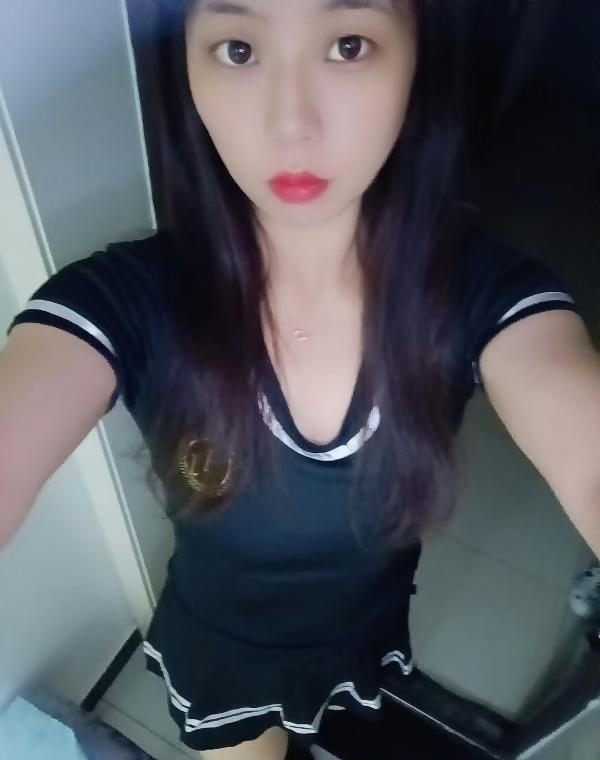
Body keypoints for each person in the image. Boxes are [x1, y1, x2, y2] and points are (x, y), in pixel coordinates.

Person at [2, 1, 600, 759]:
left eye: (348, 45)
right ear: (184, 68)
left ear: (419, 57)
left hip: (362, 626)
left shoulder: (483, 296)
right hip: (226, 648)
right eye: (238, 49)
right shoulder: (123, 301)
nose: (291, 124)